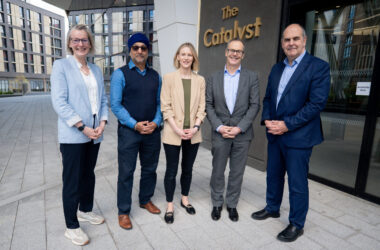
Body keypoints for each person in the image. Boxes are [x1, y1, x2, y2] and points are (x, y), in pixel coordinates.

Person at [251, 24, 331, 242]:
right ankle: (272, 207)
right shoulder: (277, 68)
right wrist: (267, 119)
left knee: (297, 182)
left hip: (299, 136)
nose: (291, 43)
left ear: (304, 40)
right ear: (282, 43)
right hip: (275, 133)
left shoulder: (318, 67)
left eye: (295, 39)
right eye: (287, 40)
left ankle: (297, 223)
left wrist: (286, 124)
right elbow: (268, 98)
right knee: (273, 175)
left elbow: (316, 104)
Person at [51, 24, 108, 246]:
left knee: (88, 175)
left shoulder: (95, 70)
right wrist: (82, 126)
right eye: (76, 40)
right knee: (72, 179)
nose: (80, 44)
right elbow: (59, 102)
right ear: (69, 43)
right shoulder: (61, 66)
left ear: (90, 43)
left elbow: (102, 100)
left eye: (84, 40)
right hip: (74, 134)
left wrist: (102, 123)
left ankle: (85, 210)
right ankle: (71, 226)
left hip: (95, 133)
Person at [110, 33, 162, 230]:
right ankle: (123, 211)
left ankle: (145, 199)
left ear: (148, 51)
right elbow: (115, 105)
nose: (140, 51)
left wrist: (156, 123)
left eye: (143, 48)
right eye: (136, 47)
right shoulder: (120, 74)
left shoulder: (155, 76)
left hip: (152, 132)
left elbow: (159, 103)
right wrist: (135, 124)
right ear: (130, 50)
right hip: (129, 132)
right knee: (126, 172)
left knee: (150, 169)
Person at [206, 39, 260, 222]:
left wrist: (239, 128)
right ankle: (216, 202)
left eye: (239, 51)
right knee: (218, 170)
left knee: (237, 172)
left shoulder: (251, 77)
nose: (235, 54)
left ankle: (232, 204)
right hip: (220, 132)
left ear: (243, 55)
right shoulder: (213, 77)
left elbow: (254, 105)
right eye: (232, 50)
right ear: (226, 52)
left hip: (242, 134)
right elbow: (208, 105)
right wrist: (220, 127)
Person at [160, 43, 206, 224]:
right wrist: (177, 129)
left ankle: (185, 198)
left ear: (193, 58)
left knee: (187, 169)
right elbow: (165, 106)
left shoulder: (200, 80)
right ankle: (170, 204)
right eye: (183, 54)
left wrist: (195, 127)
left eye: (189, 55)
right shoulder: (169, 78)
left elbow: (202, 107)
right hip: (173, 132)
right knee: (171, 170)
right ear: (177, 57)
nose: (186, 57)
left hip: (193, 134)